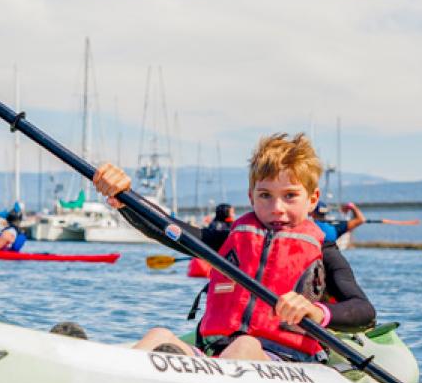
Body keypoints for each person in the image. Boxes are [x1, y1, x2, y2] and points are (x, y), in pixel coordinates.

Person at [93, 133, 375, 363]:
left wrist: (316, 311)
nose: (277, 208)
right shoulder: (230, 238)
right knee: (158, 336)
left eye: (290, 196)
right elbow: (168, 230)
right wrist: (123, 197)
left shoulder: (324, 250)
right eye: (265, 195)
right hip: (215, 355)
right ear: (251, 197)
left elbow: (363, 311)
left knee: (245, 346)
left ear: (312, 199)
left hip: (287, 362)